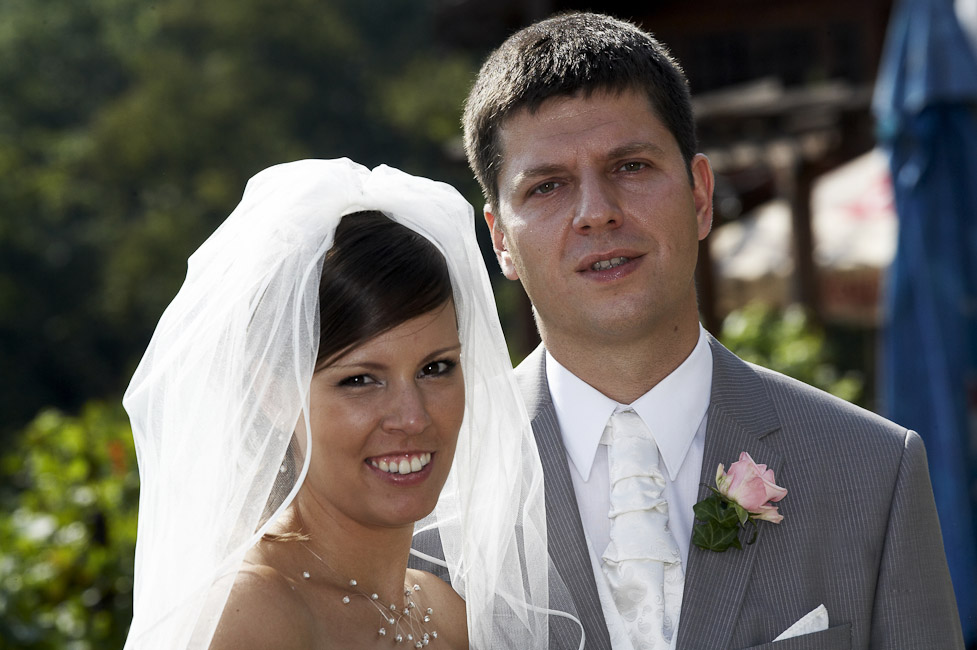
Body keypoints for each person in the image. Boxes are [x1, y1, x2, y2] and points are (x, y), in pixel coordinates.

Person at [459, 11, 964, 650]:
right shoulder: (437, 490)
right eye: (548, 186)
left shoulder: (872, 471)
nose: (596, 213)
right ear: (501, 239)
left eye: (630, 166)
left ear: (700, 195)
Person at [122, 159, 571, 648]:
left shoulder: (448, 615)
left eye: (435, 368)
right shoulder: (251, 617)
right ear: (274, 392)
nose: (412, 417)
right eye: (360, 380)